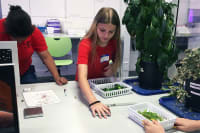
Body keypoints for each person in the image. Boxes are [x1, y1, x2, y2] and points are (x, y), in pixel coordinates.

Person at [0, 5, 67, 85]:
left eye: (23, 39)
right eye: (17, 40)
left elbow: (45, 57)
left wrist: (57, 77)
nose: (20, 43)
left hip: (24, 70)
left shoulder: (35, 32)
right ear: (8, 32)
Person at [76, 7, 121, 119]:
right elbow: (82, 77)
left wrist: (112, 66)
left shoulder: (113, 42)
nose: (106, 36)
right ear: (95, 26)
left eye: (111, 32)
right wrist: (93, 102)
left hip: (102, 84)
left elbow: (112, 59)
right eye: (102, 30)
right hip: (85, 86)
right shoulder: (85, 44)